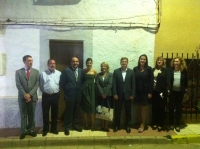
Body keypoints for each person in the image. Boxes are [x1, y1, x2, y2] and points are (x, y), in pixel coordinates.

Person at [15, 55, 39, 139]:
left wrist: (30, 94)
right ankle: (23, 131)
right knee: (23, 115)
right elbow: (18, 84)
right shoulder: (18, 72)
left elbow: (37, 84)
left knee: (31, 115)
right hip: (22, 98)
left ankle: (31, 130)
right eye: (28, 60)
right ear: (24, 62)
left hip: (33, 97)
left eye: (31, 60)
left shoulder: (36, 72)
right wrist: (25, 94)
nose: (31, 62)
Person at [59, 57, 84, 136]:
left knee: (77, 111)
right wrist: (68, 90)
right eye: (73, 61)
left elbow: (82, 82)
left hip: (78, 95)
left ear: (79, 62)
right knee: (68, 112)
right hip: (69, 95)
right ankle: (67, 127)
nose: (75, 63)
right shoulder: (66, 71)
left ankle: (75, 125)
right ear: (70, 62)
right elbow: (62, 83)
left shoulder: (81, 71)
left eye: (76, 61)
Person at [113, 57, 135, 133]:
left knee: (128, 111)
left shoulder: (131, 72)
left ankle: (128, 126)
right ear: (120, 63)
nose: (124, 63)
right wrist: (115, 93)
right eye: (122, 61)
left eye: (125, 61)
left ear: (127, 63)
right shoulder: (116, 71)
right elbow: (114, 83)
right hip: (118, 95)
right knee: (117, 111)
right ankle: (117, 125)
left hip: (128, 95)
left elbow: (133, 84)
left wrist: (132, 94)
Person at [39, 59, 61, 136]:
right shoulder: (43, 74)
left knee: (55, 113)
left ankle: (54, 129)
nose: (52, 65)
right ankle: (45, 129)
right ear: (48, 64)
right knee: (45, 113)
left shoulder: (59, 73)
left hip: (55, 96)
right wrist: (45, 91)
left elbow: (60, 84)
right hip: (46, 96)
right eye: (51, 63)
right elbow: (41, 85)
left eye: (54, 63)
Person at [133, 54, 153, 133]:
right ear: (139, 60)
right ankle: (139, 122)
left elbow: (151, 81)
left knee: (143, 108)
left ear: (146, 60)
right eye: (141, 59)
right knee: (138, 107)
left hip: (145, 92)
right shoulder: (135, 69)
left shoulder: (149, 69)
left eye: (144, 59)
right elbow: (133, 81)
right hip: (137, 92)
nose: (142, 60)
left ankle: (143, 124)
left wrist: (150, 92)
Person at [168, 57, 188, 132]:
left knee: (178, 108)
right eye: (174, 61)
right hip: (172, 92)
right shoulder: (170, 71)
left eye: (177, 61)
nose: (176, 63)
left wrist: (185, 89)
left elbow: (186, 82)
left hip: (180, 93)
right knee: (171, 108)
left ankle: (177, 124)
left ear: (180, 62)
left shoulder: (183, 71)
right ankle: (171, 124)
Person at [151, 56, 170, 131]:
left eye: (161, 60)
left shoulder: (166, 70)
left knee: (161, 108)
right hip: (154, 92)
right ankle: (154, 123)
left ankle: (160, 124)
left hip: (162, 92)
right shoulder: (153, 70)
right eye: (158, 60)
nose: (159, 61)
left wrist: (167, 90)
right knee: (154, 108)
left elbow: (168, 81)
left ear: (163, 62)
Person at [96, 62, 113, 132]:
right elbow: (97, 84)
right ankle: (102, 125)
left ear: (107, 67)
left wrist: (105, 93)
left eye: (105, 66)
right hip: (100, 95)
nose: (103, 67)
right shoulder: (98, 75)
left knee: (107, 110)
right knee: (101, 110)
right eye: (102, 66)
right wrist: (102, 93)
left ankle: (106, 126)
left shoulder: (110, 74)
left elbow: (110, 84)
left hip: (108, 95)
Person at [81, 58, 97, 131]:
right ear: (86, 63)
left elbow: (96, 82)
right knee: (85, 108)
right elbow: (81, 81)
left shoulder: (94, 71)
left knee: (92, 108)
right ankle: (86, 124)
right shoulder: (83, 71)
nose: (89, 64)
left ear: (92, 63)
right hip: (85, 91)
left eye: (90, 63)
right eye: (88, 63)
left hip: (92, 91)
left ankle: (93, 125)